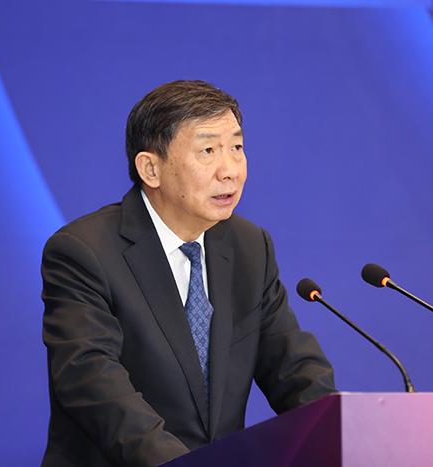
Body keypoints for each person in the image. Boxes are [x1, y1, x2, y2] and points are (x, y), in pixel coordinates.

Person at [40, 80, 336, 467]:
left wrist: (339, 438)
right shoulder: (85, 251)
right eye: (208, 151)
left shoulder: (250, 246)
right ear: (151, 169)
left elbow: (295, 370)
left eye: (236, 148)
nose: (230, 170)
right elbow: (94, 383)